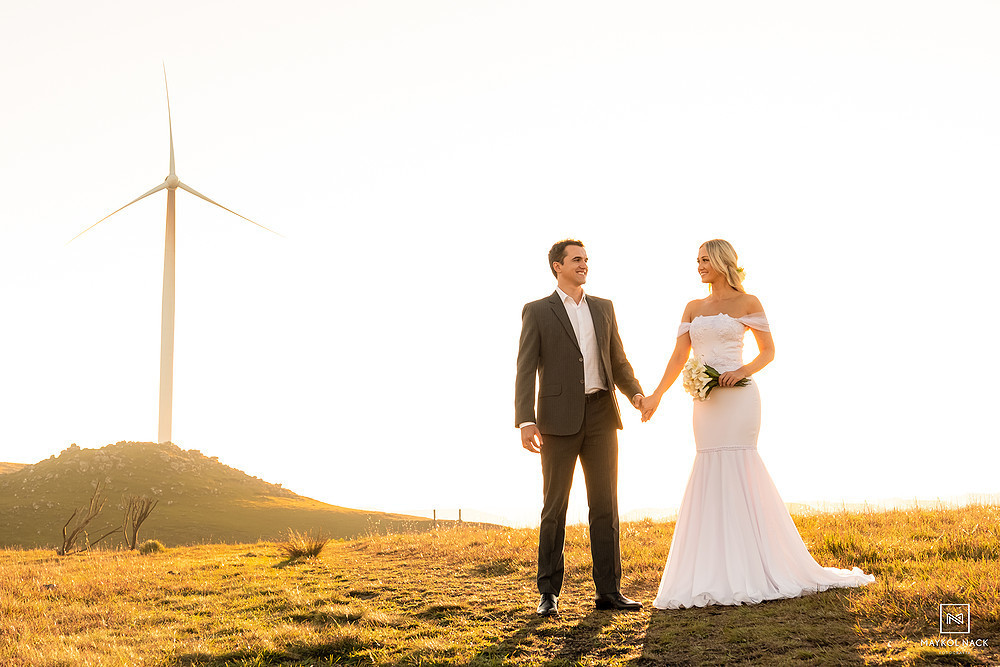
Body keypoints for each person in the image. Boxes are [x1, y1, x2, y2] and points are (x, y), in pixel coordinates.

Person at [640, 239, 874, 609]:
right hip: (706, 403)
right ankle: (712, 568)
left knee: (740, 466)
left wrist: (740, 371)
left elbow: (768, 351)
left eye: (704, 259)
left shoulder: (748, 303)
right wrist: (655, 395)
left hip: (740, 398)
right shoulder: (692, 307)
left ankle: (755, 566)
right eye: (697, 260)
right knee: (709, 466)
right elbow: (679, 355)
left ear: (721, 261)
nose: (698, 266)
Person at [515, 239, 646, 617]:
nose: (583, 264)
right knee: (554, 507)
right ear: (557, 266)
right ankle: (549, 594)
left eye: (586, 259)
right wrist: (526, 419)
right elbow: (525, 369)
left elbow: (617, 360)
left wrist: (635, 394)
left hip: (602, 414)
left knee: (605, 506)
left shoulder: (604, 308)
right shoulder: (537, 311)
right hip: (556, 422)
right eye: (576, 259)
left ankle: (609, 592)